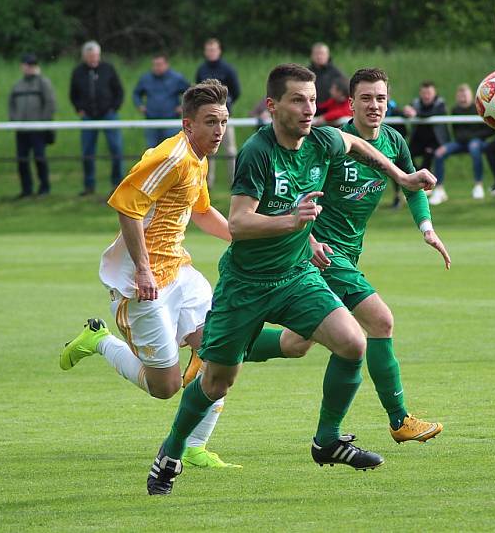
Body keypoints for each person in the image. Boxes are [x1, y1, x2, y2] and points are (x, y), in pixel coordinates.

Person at [146, 63, 437, 496]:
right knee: (217, 381)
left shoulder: (322, 139)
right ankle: (170, 452)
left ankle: (327, 440)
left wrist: (400, 176)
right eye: (298, 100)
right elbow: (240, 223)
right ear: (273, 105)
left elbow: (355, 144)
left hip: (297, 276)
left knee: (353, 342)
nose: (308, 109)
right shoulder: (258, 152)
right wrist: (292, 221)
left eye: (313, 100)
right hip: (246, 285)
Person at [60, 79, 311, 472]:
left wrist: (251, 239)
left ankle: (194, 446)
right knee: (166, 387)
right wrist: (143, 268)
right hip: (140, 282)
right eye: (211, 122)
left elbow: (203, 212)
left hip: (179, 271)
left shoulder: (199, 157)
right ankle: (98, 341)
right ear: (188, 123)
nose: (219, 131)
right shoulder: (171, 157)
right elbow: (126, 206)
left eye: (224, 122)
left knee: (217, 345)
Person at [244, 67, 450, 446]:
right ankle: (399, 419)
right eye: (367, 98)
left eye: (381, 98)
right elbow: (293, 195)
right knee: (381, 321)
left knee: (295, 344)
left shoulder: (392, 141)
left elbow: (412, 184)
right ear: (350, 102)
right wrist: (307, 242)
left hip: (348, 254)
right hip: (321, 252)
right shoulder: (328, 143)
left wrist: (427, 228)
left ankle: (219, 346)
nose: (375, 106)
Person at [70, 40, 124, 196]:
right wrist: (79, 109)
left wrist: (114, 108)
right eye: (90, 56)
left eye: (95, 55)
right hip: (88, 116)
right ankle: (89, 185)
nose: (93, 59)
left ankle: (117, 184)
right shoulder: (78, 72)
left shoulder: (108, 69)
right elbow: (73, 94)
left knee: (116, 148)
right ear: (84, 56)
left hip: (109, 114)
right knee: (87, 151)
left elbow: (119, 91)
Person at [431, 84, 495, 204]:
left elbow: (490, 130)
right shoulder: (455, 110)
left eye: (465, 95)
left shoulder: (479, 108)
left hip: (477, 142)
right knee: (439, 153)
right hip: (460, 143)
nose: (463, 98)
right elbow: (457, 134)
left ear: (471, 96)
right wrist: (468, 136)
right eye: (460, 95)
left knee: (474, 147)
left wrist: (474, 136)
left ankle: (478, 185)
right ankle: (439, 189)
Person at [8, 53, 56, 198]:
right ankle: (26, 190)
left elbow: (50, 103)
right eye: (28, 65)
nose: (30, 68)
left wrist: (43, 122)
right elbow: (11, 105)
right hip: (22, 130)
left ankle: (44, 188)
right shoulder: (17, 85)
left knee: (39, 158)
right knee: (22, 160)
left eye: (33, 65)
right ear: (22, 66)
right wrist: (15, 120)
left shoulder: (43, 83)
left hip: (38, 129)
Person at [195, 38, 241, 186]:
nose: (211, 53)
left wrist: (225, 104)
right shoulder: (202, 70)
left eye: (214, 49)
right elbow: (197, 90)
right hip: (207, 117)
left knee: (230, 149)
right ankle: (207, 182)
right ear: (205, 52)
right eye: (209, 50)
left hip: (226, 116)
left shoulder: (228, 69)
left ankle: (234, 181)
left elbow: (236, 90)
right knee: (207, 148)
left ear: (219, 51)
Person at [401, 81, 449, 208]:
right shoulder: (416, 103)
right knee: (404, 156)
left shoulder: (440, 104)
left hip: (435, 141)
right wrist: (406, 111)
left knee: (429, 154)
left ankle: (429, 187)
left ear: (434, 93)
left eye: (429, 93)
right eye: (424, 93)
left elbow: (432, 114)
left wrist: (416, 114)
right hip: (418, 141)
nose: (426, 96)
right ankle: (417, 185)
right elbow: (407, 113)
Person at [133, 52, 190, 148]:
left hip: (170, 122)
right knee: (152, 153)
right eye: (154, 65)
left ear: (166, 64)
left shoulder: (176, 78)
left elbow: (190, 93)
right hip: (151, 122)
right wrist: (140, 105)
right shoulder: (146, 79)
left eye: (159, 64)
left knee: (172, 152)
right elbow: (136, 93)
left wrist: (183, 107)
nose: (157, 67)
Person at [308, 42, 343, 111]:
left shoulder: (336, 73)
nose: (319, 57)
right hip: (310, 109)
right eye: (316, 54)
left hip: (331, 110)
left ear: (328, 55)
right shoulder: (306, 73)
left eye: (322, 54)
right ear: (311, 56)